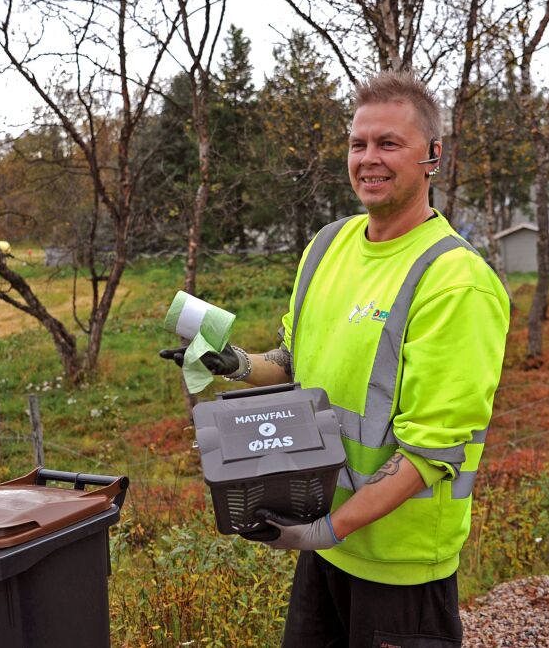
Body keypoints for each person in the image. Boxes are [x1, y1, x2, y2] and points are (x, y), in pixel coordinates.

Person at [161, 70, 509, 647]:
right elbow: (295, 363)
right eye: (358, 143)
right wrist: (236, 365)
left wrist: (323, 529)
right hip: (327, 545)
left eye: (389, 143)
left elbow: (429, 452)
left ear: (433, 156)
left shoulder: (455, 282)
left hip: (399, 566)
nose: (369, 158)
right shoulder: (327, 246)